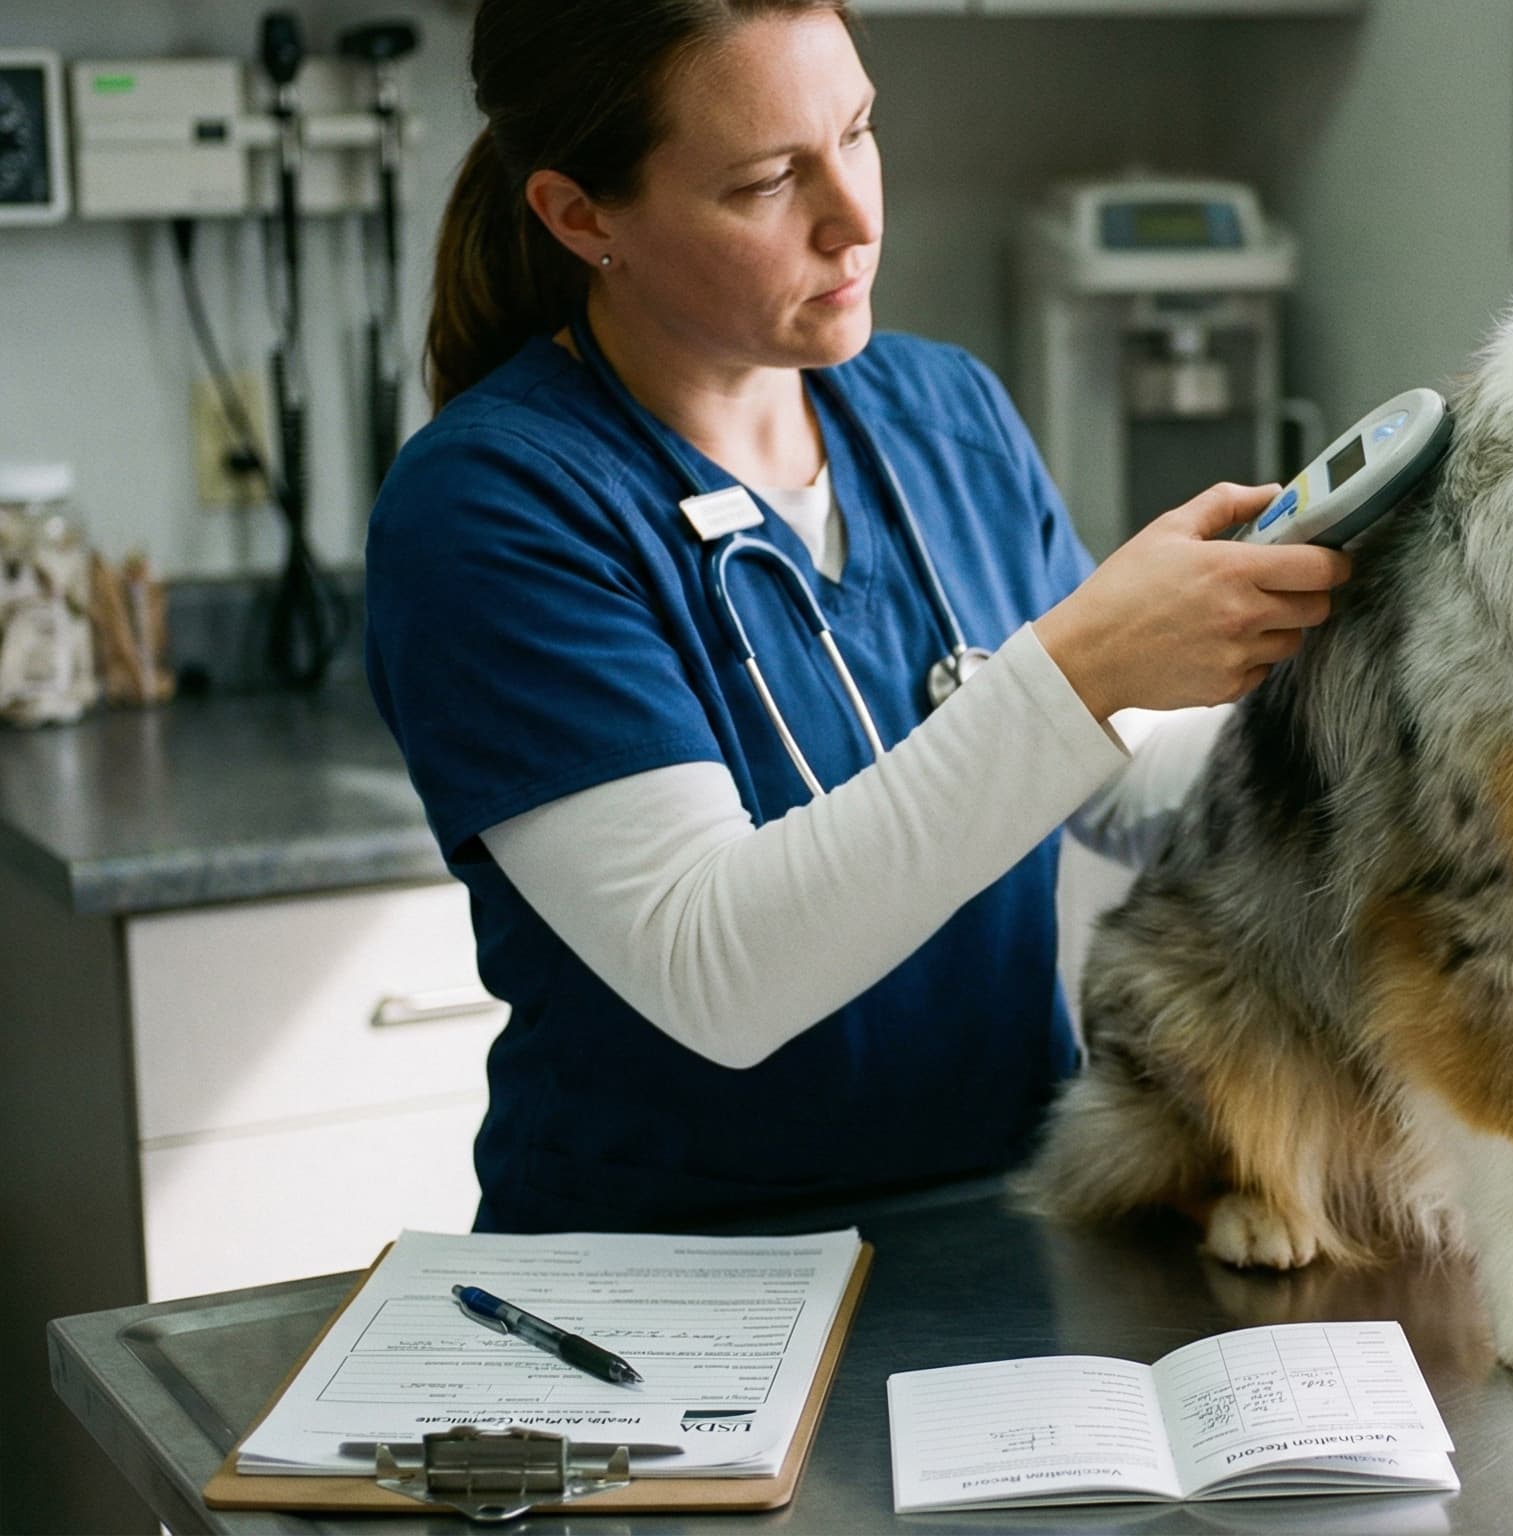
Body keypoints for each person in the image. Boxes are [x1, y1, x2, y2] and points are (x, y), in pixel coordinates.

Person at [364, 0, 1349, 1233]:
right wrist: (1084, 665)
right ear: (581, 216)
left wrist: (1374, 718)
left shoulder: (945, 412)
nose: (857, 217)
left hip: (997, 1232)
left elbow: (1122, 788)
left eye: (860, 131)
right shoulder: (495, 506)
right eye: (771, 180)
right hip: (669, 1286)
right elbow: (717, 967)